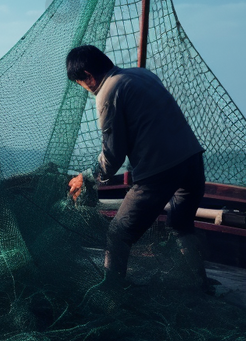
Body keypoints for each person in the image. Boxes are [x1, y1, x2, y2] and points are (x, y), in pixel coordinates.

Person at [66, 44, 207, 285]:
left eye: (81, 83)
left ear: (88, 76)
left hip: (160, 171)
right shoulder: (142, 74)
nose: (85, 89)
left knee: (118, 233)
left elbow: (112, 157)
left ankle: (112, 291)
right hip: (192, 161)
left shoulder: (108, 92)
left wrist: (87, 178)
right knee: (181, 224)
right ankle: (198, 283)